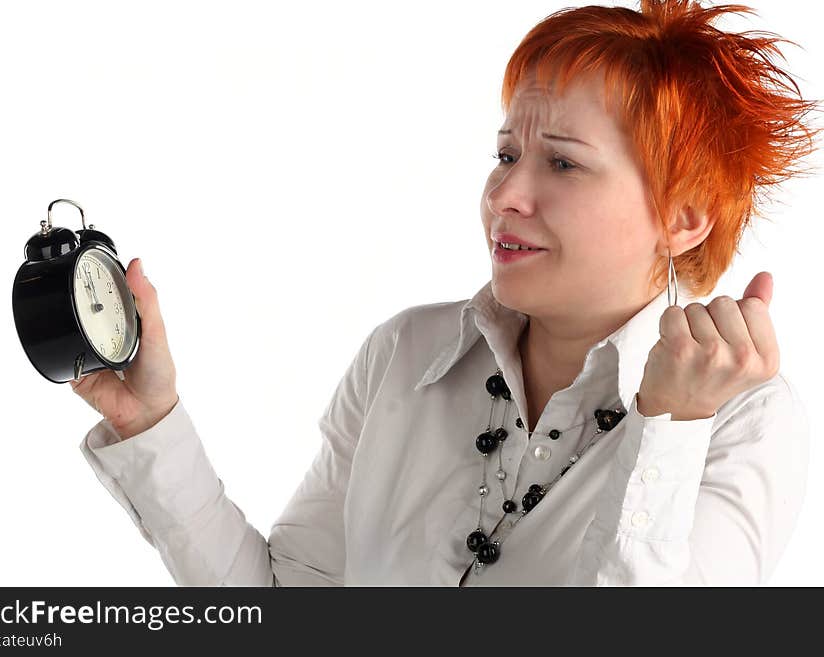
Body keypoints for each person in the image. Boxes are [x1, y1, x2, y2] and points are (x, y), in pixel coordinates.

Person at [71, 0, 819, 586]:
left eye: (562, 164)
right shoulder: (405, 353)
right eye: (506, 154)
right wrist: (151, 422)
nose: (506, 195)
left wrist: (669, 423)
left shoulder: (742, 422)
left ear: (683, 216)